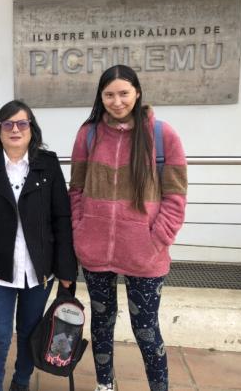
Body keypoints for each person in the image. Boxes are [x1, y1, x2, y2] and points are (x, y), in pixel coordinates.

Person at [69, 65, 187, 391]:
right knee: (101, 326)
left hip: (144, 255)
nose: (117, 101)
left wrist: (157, 239)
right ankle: (104, 385)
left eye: (124, 93)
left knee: (146, 329)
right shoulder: (88, 134)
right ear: (101, 96)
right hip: (95, 251)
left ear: (136, 93)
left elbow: (176, 196)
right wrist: (80, 231)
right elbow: (76, 189)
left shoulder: (162, 135)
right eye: (109, 94)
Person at [0, 100, 78, 391]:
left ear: (31, 129)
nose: (15, 129)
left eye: (21, 123)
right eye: (7, 124)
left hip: (38, 271)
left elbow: (62, 218)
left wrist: (65, 270)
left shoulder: (47, 164)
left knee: (29, 332)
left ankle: (21, 382)